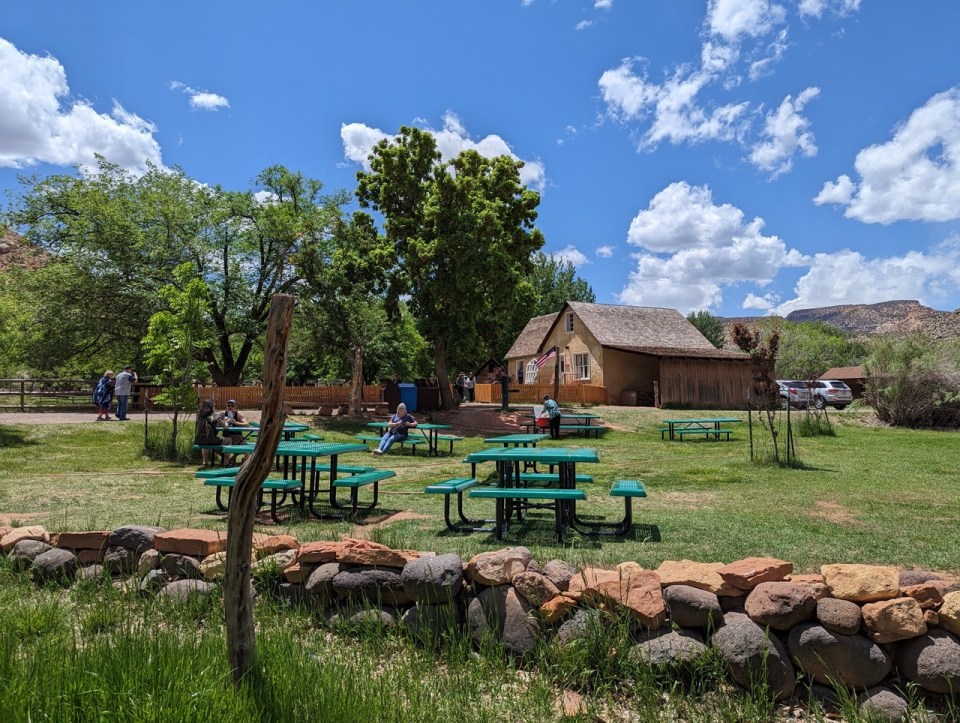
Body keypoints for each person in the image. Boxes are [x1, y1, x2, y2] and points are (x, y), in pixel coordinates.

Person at [218, 399, 248, 465]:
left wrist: (236, 422)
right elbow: (215, 421)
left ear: (236, 406)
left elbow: (246, 424)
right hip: (226, 436)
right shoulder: (223, 413)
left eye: (232, 405)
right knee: (215, 445)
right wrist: (222, 422)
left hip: (237, 437)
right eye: (228, 405)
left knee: (246, 448)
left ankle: (232, 458)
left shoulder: (238, 414)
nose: (230, 407)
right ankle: (225, 459)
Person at [193, 398, 222, 466]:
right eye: (214, 405)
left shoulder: (199, 416)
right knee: (228, 440)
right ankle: (225, 461)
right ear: (211, 406)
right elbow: (224, 426)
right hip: (209, 439)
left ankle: (204, 461)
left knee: (206, 442)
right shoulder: (213, 415)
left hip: (199, 440)